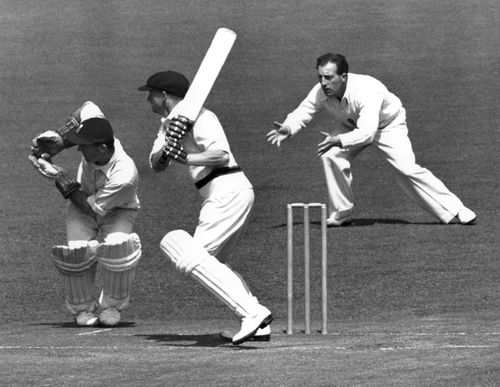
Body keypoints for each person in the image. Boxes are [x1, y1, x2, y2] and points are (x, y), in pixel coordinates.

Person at [138, 71, 273, 345]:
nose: (148, 100)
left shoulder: (201, 116)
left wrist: (185, 156)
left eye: (150, 94)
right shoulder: (168, 125)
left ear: (163, 95)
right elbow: (156, 164)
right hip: (220, 193)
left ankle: (252, 313)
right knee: (211, 264)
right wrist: (168, 147)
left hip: (227, 188)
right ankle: (258, 325)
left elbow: (221, 155)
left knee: (190, 255)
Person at [267, 53, 476, 226]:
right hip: (351, 124)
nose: (323, 83)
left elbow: (367, 132)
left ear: (344, 76)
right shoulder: (321, 91)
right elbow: (305, 110)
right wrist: (289, 127)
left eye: (329, 77)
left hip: (388, 125)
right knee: (330, 156)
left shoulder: (366, 89)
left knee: (406, 169)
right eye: (320, 77)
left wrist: (338, 140)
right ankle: (342, 212)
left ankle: (455, 209)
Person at [30, 101, 141, 327]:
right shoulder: (99, 133)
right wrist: (61, 140)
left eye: (84, 146)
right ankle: (83, 309)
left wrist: (58, 175)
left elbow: (89, 207)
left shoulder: (124, 175)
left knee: (118, 249)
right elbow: (87, 107)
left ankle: (111, 306)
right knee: (76, 254)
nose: (79, 149)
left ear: (101, 148)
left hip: (116, 210)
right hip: (84, 200)